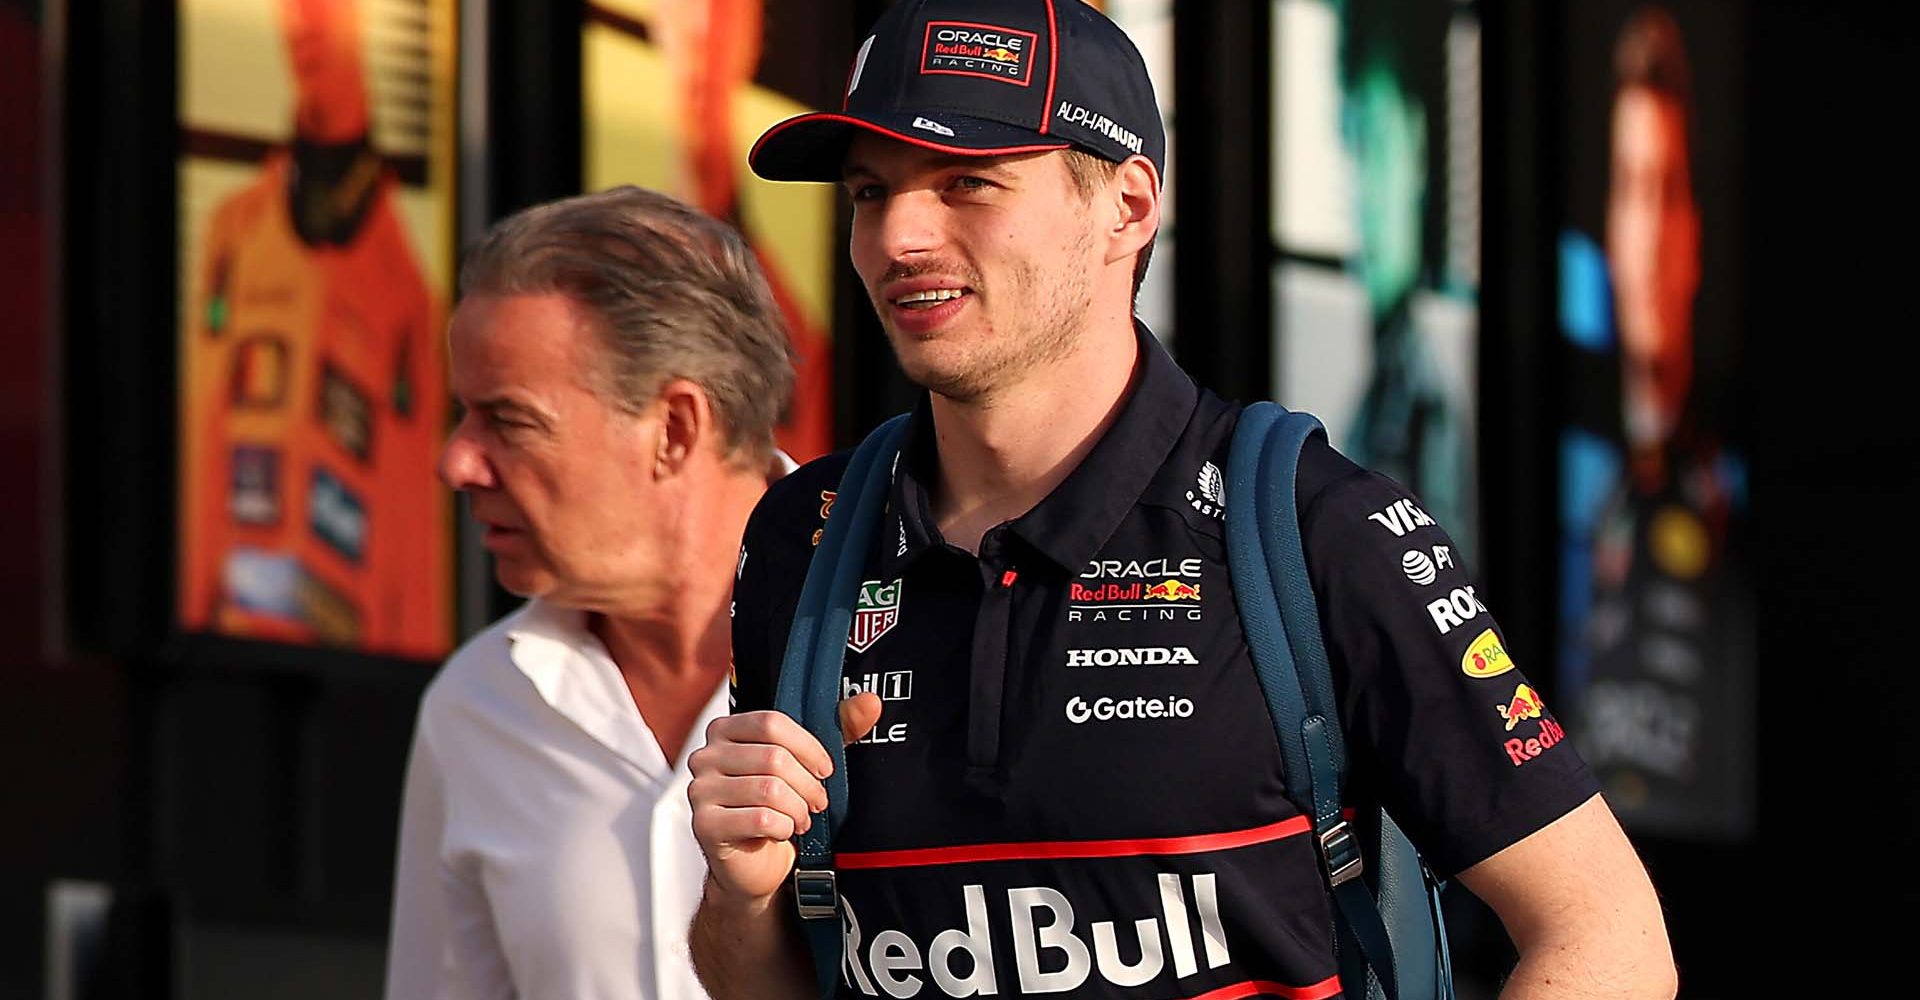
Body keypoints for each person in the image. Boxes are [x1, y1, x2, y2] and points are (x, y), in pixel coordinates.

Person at [689, 2, 1677, 999]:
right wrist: (741, 892)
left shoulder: (1312, 527)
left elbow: (1607, 933)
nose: (899, 234)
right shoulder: (804, 539)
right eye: (869, 192)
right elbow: (768, 978)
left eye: (967, 184)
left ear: (1127, 204)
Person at [383, 186, 796, 1000]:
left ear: (674, 429)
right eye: (464, 416)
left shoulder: (901, 650)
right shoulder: (477, 707)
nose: (456, 463)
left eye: (509, 420)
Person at [180, 0, 449, 657]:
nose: (303, 22)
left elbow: (415, 531)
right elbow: (201, 434)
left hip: (351, 666)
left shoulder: (406, 292)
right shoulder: (235, 232)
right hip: (223, 648)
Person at [1563, 6, 1751, 835]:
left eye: (1666, 193)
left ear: (1696, 235)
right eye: (1629, 190)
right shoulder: (1570, 475)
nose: (1644, 236)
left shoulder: (1730, 497)